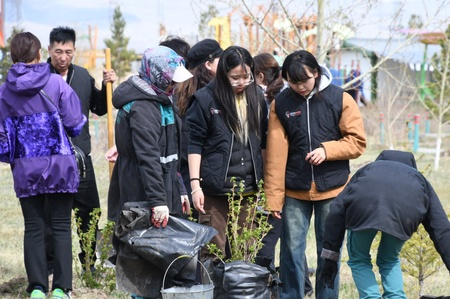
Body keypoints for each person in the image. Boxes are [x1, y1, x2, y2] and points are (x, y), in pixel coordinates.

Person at [264, 49, 366, 299]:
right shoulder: (281, 103)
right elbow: (275, 156)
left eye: (304, 80)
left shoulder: (340, 99)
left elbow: (357, 142)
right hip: (294, 190)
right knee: (290, 251)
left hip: (332, 189)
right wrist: (274, 199)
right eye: (292, 82)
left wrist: (327, 150)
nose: (299, 87)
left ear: (316, 73)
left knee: (329, 252)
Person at [0, 32, 86, 299]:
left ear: (13, 56)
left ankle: (37, 288)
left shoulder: (4, 91)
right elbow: (75, 123)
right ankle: (61, 289)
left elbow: (3, 140)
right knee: (61, 226)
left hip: (26, 168)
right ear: (39, 54)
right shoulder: (56, 84)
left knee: (33, 227)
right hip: (60, 165)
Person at [107, 45, 193, 298]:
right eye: (170, 80)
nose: (174, 85)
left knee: (161, 259)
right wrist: (157, 202)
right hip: (140, 191)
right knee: (142, 258)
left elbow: (171, 154)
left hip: (163, 186)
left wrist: (180, 190)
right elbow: (148, 158)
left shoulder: (162, 99)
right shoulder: (143, 107)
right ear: (156, 74)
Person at [318, 150, 450, 299]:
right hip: (405, 213)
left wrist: (330, 258)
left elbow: (336, 210)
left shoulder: (368, 170)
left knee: (359, 258)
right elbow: (441, 228)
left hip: (363, 208)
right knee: (389, 258)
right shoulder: (418, 178)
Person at [186, 45, 268, 261]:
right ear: (223, 73)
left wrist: (265, 182)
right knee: (212, 251)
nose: (241, 83)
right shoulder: (205, 99)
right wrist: (196, 186)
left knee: (247, 249)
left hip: (248, 187)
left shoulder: (257, 97)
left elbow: (264, 142)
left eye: (246, 77)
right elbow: (194, 144)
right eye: (235, 77)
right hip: (215, 188)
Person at [46, 26, 116, 272]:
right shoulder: (40, 77)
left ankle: (89, 263)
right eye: (58, 52)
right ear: (49, 50)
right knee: (53, 217)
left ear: (74, 51)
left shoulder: (84, 76)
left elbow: (99, 108)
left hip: (81, 158)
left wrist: (108, 86)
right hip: (50, 160)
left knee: (89, 212)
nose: (63, 57)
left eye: (68, 52)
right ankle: (53, 267)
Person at [253, 52, 314, 297]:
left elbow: (272, 152)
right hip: (286, 181)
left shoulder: (271, 101)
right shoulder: (277, 101)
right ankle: (299, 288)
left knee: (279, 244)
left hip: (284, 181)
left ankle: (291, 289)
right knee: (290, 245)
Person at [174, 38, 223, 214]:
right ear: (208, 64)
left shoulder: (179, 94)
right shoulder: (206, 98)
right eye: (221, 60)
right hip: (203, 180)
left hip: (186, 177)